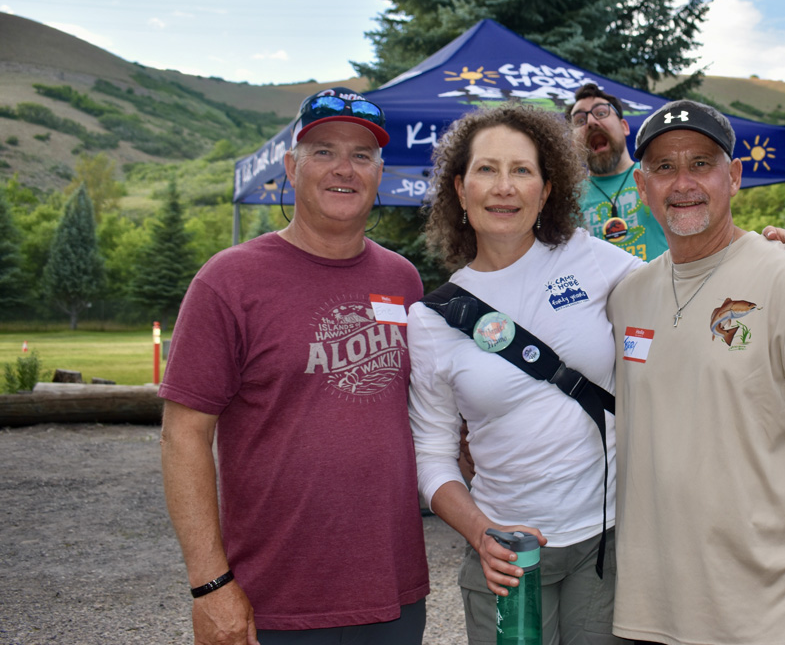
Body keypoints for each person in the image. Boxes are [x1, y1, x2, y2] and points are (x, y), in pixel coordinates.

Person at [607, 100, 785, 645]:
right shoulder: (627, 296)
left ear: (735, 177)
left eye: (701, 163)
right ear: (642, 187)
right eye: (664, 167)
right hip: (650, 619)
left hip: (776, 620)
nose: (683, 183)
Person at [159, 88, 429, 645]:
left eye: (361, 155)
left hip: (393, 594)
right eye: (324, 151)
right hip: (272, 603)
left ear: (380, 174)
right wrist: (210, 586)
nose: (344, 169)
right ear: (291, 167)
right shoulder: (229, 280)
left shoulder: (403, 280)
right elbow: (183, 436)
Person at [406, 102, 641, 645]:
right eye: (487, 169)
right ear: (460, 189)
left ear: (547, 189)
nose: (504, 187)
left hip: (604, 542)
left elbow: (687, 283)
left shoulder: (591, 259)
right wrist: (480, 531)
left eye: (522, 170)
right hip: (507, 556)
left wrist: (772, 249)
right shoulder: (433, 318)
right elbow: (432, 454)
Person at [568, 83, 669, 261]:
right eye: (580, 121)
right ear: (573, 143)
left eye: (601, 113)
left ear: (624, 127)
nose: (591, 122)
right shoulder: (567, 201)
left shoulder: (660, 177)